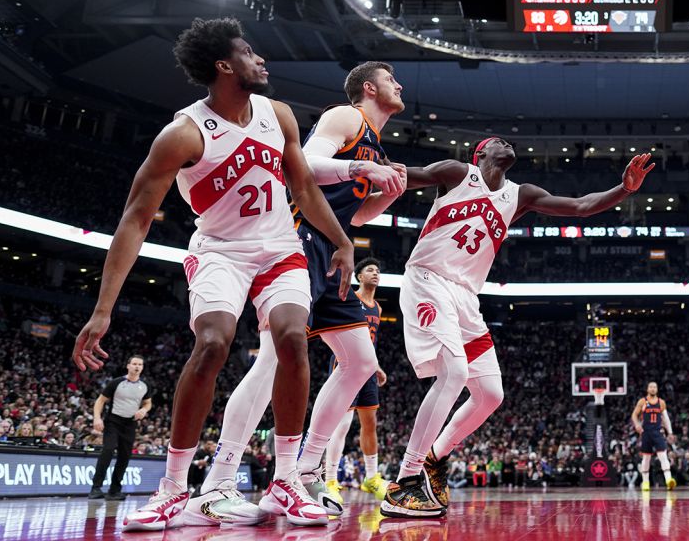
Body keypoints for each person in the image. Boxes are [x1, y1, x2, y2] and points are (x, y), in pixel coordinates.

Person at [71, 17, 355, 531]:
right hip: (219, 251)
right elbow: (135, 219)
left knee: (293, 339)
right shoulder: (182, 134)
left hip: (278, 250)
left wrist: (340, 242)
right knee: (213, 345)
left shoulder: (279, 114)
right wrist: (102, 309)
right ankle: (175, 490)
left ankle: (286, 481)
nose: (261, 59)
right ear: (224, 65)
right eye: (249, 52)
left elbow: (306, 190)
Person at [380, 139, 654, 518]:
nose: (506, 142)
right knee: (455, 372)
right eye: (496, 141)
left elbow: (579, 207)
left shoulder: (519, 194)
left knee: (491, 394)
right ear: (479, 154)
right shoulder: (459, 173)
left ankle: (433, 459)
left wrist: (624, 189)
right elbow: (407, 176)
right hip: (429, 278)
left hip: (465, 296)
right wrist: (364, 164)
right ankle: (404, 481)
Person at [189, 60, 405, 525]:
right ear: (368, 88)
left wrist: (389, 190)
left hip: (335, 249)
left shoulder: (375, 143)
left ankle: (302, 472)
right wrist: (361, 167)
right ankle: (218, 479)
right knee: (272, 360)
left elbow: (359, 217)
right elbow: (303, 166)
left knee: (362, 361)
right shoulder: (346, 117)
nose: (399, 84)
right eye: (390, 79)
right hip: (299, 240)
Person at [323, 258, 390, 500]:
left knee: (370, 423)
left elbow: (369, 342)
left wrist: (376, 366)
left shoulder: (378, 309)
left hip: (368, 370)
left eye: (378, 270)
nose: (376, 273)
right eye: (370, 269)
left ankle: (371, 478)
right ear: (359, 276)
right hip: (345, 365)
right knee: (342, 426)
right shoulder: (349, 297)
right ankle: (330, 480)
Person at [89, 355, 153, 500]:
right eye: (134, 364)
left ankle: (114, 491)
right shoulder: (116, 382)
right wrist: (97, 418)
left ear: (142, 368)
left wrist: (144, 410)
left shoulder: (145, 386)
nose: (137, 367)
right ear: (128, 366)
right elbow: (100, 401)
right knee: (108, 450)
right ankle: (96, 488)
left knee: (124, 457)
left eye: (140, 365)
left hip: (130, 424)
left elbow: (148, 403)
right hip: (113, 421)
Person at [630, 382, 676, 490]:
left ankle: (669, 480)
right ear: (647, 389)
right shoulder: (642, 401)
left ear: (657, 389)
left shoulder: (661, 402)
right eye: (651, 387)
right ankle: (645, 482)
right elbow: (634, 415)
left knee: (663, 456)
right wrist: (637, 424)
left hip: (658, 432)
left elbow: (666, 419)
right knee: (646, 458)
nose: (653, 389)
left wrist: (670, 432)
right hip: (646, 433)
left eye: (655, 387)